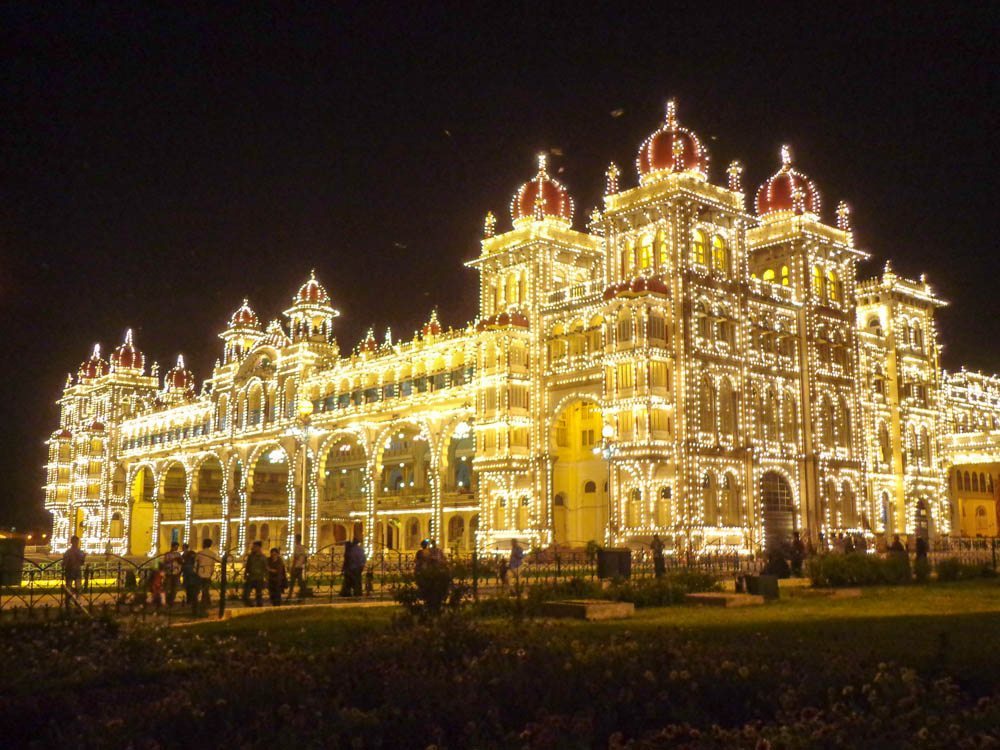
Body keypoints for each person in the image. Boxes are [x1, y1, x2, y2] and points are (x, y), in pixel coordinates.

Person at [195, 538, 218, 616]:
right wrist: (211, 572)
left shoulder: (200, 553)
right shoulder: (213, 554)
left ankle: (200, 605)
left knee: (198, 590)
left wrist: (196, 572)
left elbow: (196, 563)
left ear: (204, 544)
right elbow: (213, 565)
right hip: (208, 573)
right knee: (205, 589)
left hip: (200, 573)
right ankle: (206, 603)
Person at [62, 535, 86, 608]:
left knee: (71, 588)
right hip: (75, 571)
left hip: (70, 571)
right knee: (76, 588)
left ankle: (70, 602)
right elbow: (82, 562)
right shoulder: (80, 552)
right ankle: (76, 602)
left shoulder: (68, 552)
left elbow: (64, 563)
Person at [242, 541, 267, 607]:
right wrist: (245, 574)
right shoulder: (251, 556)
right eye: (253, 546)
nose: (253, 548)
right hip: (251, 577)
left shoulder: (263, 557)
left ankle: (259, 610)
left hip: (259, 578)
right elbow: (248, 566)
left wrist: (266, 579)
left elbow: (266, 569)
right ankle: (251, 606)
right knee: (245, 595)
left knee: (259, 596)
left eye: (255, 546)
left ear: (259, 547)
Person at [288, 533, 308, 599]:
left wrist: (292, 567)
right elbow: (305, 558)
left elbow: (295, 558)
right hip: (300, 567)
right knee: (300, 582)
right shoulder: (303, 547)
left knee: (292, 582)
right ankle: (303, 594)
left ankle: (290, 595)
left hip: (296, 567)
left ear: (296, 539)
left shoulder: (296, 547)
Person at [181, 542, 199, 613]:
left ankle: (191, 600)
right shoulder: (184, 554)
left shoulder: (190, 553)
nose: (183, 549)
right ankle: (189, 599)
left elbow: (194, 559)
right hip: (187, 572)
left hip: (189, 572)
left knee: (190, 586)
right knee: (188, 586)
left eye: (183, 547)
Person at [163, 541, 182, 607]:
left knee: (174, 588)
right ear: (172, 547)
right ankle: (167, 600)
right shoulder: (168, 554)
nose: (176, 548)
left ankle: (171, 600)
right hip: (169, 572)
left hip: (176, 572)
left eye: (177, 547)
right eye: (175, 547)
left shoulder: (178, 554)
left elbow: (181, 562)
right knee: (167, 587)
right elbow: (165, 562)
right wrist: (172, 560)